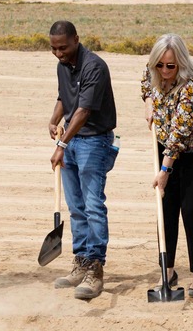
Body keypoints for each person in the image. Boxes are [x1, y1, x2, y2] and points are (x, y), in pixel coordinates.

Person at [48, 21, 118, 300]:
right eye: (54, 48)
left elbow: (83, 110)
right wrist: (54, 119)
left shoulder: (94, 67)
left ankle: (95, 268)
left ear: (76, 39)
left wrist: (61, 145)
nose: (58, 53)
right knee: (76, 207)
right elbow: (65, 98)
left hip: (94, 142)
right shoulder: (62, 65)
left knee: (92, 206)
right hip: (72, 139)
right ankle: (81, 261)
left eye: (63, 48)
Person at [141, 34, 193, 297]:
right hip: (164, 149)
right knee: (166, 209)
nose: (164, 70)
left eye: (170, 66)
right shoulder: (154, 72)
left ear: (181, 62)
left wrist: (165, 171)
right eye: (159, 65)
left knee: (190, 209)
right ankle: (168, 270)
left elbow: (179, 134)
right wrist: (148, 101)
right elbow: (145, 81)